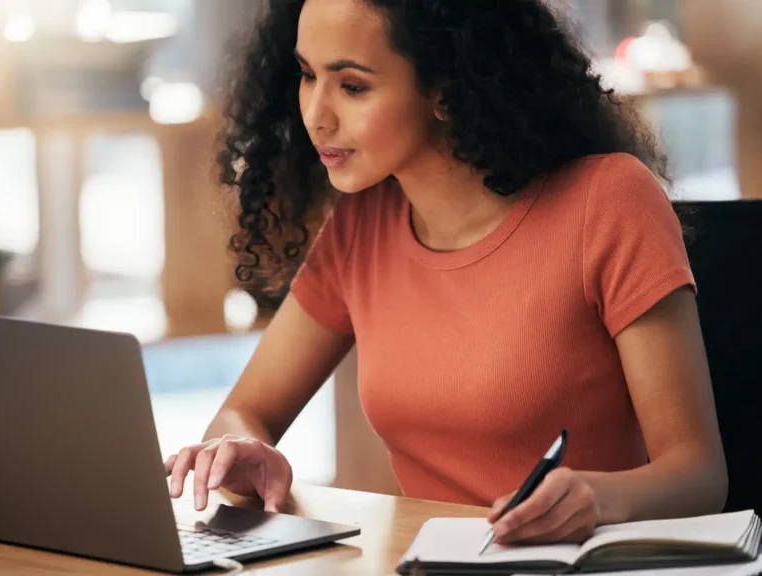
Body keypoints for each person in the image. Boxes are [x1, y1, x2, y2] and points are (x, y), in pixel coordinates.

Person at [165, 0, 728, 546]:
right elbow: (246, 410)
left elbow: (698, 474)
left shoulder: (610, 201)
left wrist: (599, 499)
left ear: (445, 89)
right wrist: (242, 449)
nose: (315, 114)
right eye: (308, 75)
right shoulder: (362, 222)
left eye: (353, 86)